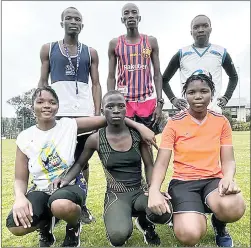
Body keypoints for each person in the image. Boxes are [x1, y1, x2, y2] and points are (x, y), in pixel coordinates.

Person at [6, 87, 157, 247]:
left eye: (52, 102)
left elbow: (112, 116)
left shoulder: (69, 125)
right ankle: (45, 226)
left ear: (58, 106)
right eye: (40, 101)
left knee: (60, 205)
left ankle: (73, 226)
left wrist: (140, 127)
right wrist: (20, 198)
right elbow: (20, 177)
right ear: (32, 107)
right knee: (16, 226)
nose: (47, 105)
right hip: (41, 188)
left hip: (69, 184)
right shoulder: (24, 137)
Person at [52, 90, 172, 247]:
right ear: (102, 111)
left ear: (126, 109)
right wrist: (66, 179)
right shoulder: (95, 139)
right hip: (116, 195)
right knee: (118, 236)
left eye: (121, 106)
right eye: (110, 106)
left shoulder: (137, 135)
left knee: (164, 213)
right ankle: (120, 217)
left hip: (139, 190)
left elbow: (149, 165)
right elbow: (80, 163)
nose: (116, 110)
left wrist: (153, 190)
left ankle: (145, 222)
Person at [148, 70, 246, 247]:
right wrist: (154, 189)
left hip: (212, 181)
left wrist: (228, 178)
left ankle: (219, 223)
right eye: (192, 92)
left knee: (235, 207)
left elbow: (228, 160)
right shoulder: (175, 122)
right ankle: (188, 213)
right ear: (185, 95)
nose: (198, 96)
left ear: (212, 94)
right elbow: (162, 162)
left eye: (204, 91)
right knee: (190, 235)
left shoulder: (221, 121)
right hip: (183, 182)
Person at [38, 6, 102, 224]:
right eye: (68, 18)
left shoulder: (90, 51)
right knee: (57, 160)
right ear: (62, 22)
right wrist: (41, 106)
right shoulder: (48, 49)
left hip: (84, 114)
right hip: (59, 114)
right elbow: (43, 82)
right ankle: (53, 201)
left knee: (83, 161)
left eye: (77, 19)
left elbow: (96, 83)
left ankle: (81, 204)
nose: (73, 21)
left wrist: (97, 111)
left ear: (82, 25)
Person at [107, 3, 165, 135]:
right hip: (124, 101)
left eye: (134, 12)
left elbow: (157, 74)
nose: (130, 16)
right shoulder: (115, 44)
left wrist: (159, 103)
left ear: (139, 18)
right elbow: (111, 76)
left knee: (147, 141)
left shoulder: (150, 41)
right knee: (126, 141)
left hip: (147, 101)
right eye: (126, 13)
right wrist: (110, 102)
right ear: (122, 19)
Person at [162, 14, 238, 113]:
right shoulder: (181, 53)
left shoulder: (221, 52)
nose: (201, 30)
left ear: (210, 29)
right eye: (196, 27)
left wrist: (226, 97)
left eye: (205, 26)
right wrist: (173, 99)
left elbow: (234, 77)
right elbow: (164, 80)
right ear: (191, 32)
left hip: (213, 111)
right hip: (188, 113)